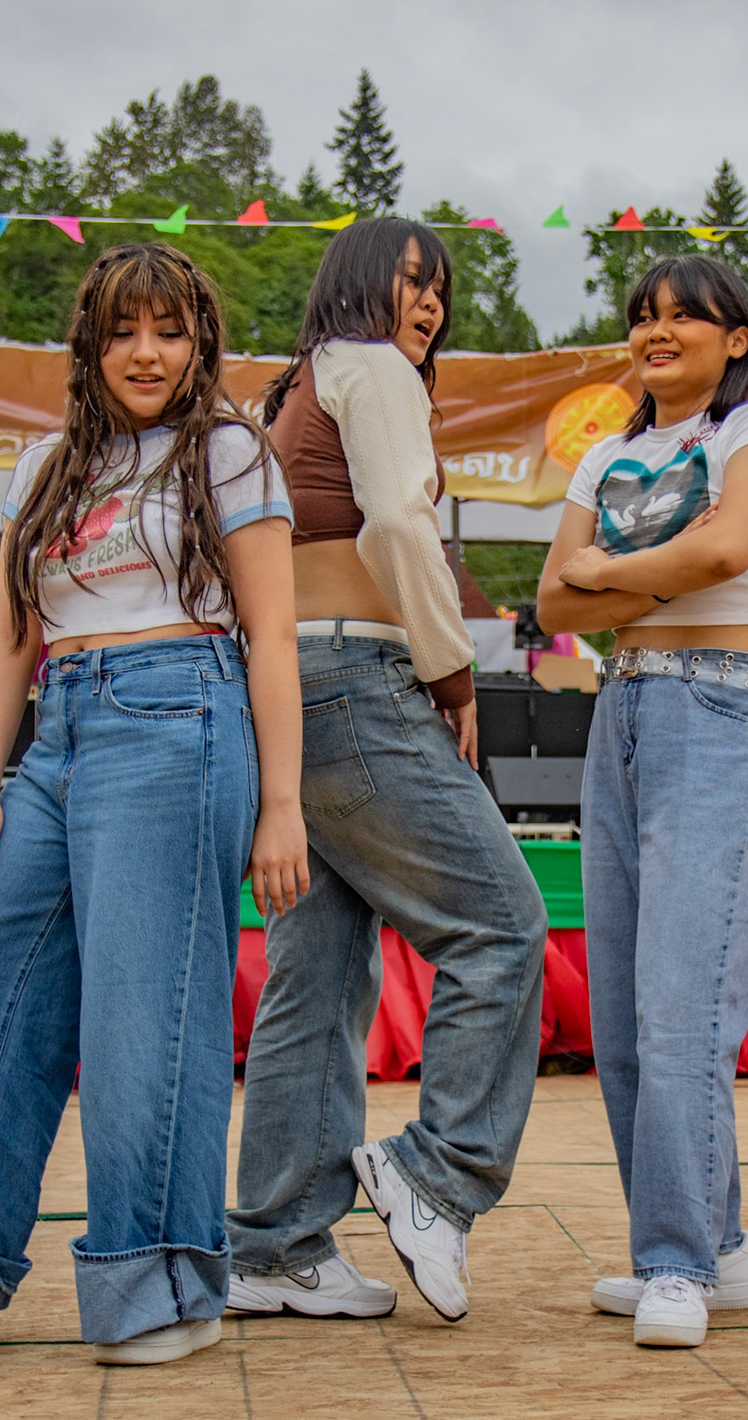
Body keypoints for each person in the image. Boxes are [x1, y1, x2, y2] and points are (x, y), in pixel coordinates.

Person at [0, 242, 304, 1366]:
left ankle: (164, 1284)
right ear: (89, 344)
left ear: (202, 343)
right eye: (123, 330)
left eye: (170, 330)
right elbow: (7, 635)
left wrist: (282, 801)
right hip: (60, 731)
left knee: (143, 1017)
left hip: (181, 717)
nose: (147, 352)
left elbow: (273, 632)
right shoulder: (45, 464)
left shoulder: (228, 450)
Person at [225, 218, 547, 1325]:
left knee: (316, 976)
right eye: (412, 280)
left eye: (440, 288)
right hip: (359, 683)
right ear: (360, 284)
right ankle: (437, 1173)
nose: (431, 303)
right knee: (503, 925)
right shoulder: (370, 368)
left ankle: (275, 1242)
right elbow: (403, 526)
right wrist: (453, 675)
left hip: (289, 696)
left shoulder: (290, 391)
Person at [537, 254, 748, 1349]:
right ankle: (718, 1249)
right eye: (643, 316)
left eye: (684, 316)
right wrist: (645, 575)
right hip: (623, 711)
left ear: (735, 336)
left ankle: (677, 1262)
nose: (657, 331)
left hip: (718, 704)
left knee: (683, 1002)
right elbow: (552, 603)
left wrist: (607, 570)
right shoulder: (608, 452)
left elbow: (732, 548)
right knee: (624, 1015)